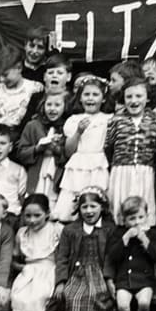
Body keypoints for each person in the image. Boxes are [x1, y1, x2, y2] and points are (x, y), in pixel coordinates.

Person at [53, 186, 116, 311]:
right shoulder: (70, 230)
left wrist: (110, 279)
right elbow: (62, 257)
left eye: (93, 206)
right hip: (78, 272)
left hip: (100, 272)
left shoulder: (109, 229)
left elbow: (112, 257)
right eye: (84, 207)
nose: (89, 211)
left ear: (102, 207)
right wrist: (61, 281)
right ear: (78, 210)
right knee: (72, 295)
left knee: (97, 294)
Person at [105, 196, 156, 311]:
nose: (136, 222)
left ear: (147, 216)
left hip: (144, 280)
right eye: (132, 218)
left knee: (144, 303)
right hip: (124, 279)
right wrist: (126, 238)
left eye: (140, 217)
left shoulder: (153, 233)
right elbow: (113, 257)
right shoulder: (119, 233)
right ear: (124, 219)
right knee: (122, 305)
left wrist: (145, 240)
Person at [10, 194, 61, 311]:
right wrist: (22, 268)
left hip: (49, 271)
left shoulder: (56, 230)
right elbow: (15, 259)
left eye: (37, 215)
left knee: (38, 296)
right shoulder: (22, 233)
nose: (32, 220)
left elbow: (62, 259)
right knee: (18, 297)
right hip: (28, 270)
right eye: (28, 216)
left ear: (47, 213)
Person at [52, 75, 111, 222]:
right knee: (72, 199)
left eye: (95, 95)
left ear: (103, 99)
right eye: (86, 94)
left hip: (98, 164)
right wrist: (78, 132)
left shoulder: (108, 119)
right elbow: (68, 151)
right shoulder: (73, 120)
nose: (90, 98)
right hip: (78, 164)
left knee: (97, 198)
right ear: (80, 98)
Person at [104, 77, 156, 227]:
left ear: (147, 98)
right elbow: (108, 146)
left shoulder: (155, 120)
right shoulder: (116, 120)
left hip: (145, 170)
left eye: (139, 96)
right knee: (120, 204)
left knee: (142, 205)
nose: (133, 100)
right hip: (121, 170)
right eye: (129, 96)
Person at [15, 91, 68, 210]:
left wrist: (56, 149)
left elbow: (70, 155)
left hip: (56, 174)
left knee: (54, 205)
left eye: (57, 105)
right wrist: (38, 148)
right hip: (37, 172)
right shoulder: (33, 125)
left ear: (65, 107)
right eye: (49, 105)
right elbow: (21, 152)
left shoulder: (68, 126)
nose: (52, 109)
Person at [0, 43, 44, 139]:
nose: (1, 79)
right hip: (0, 140)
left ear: (19, 68)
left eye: (5, 75)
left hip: (24, 139)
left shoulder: (35, 88)